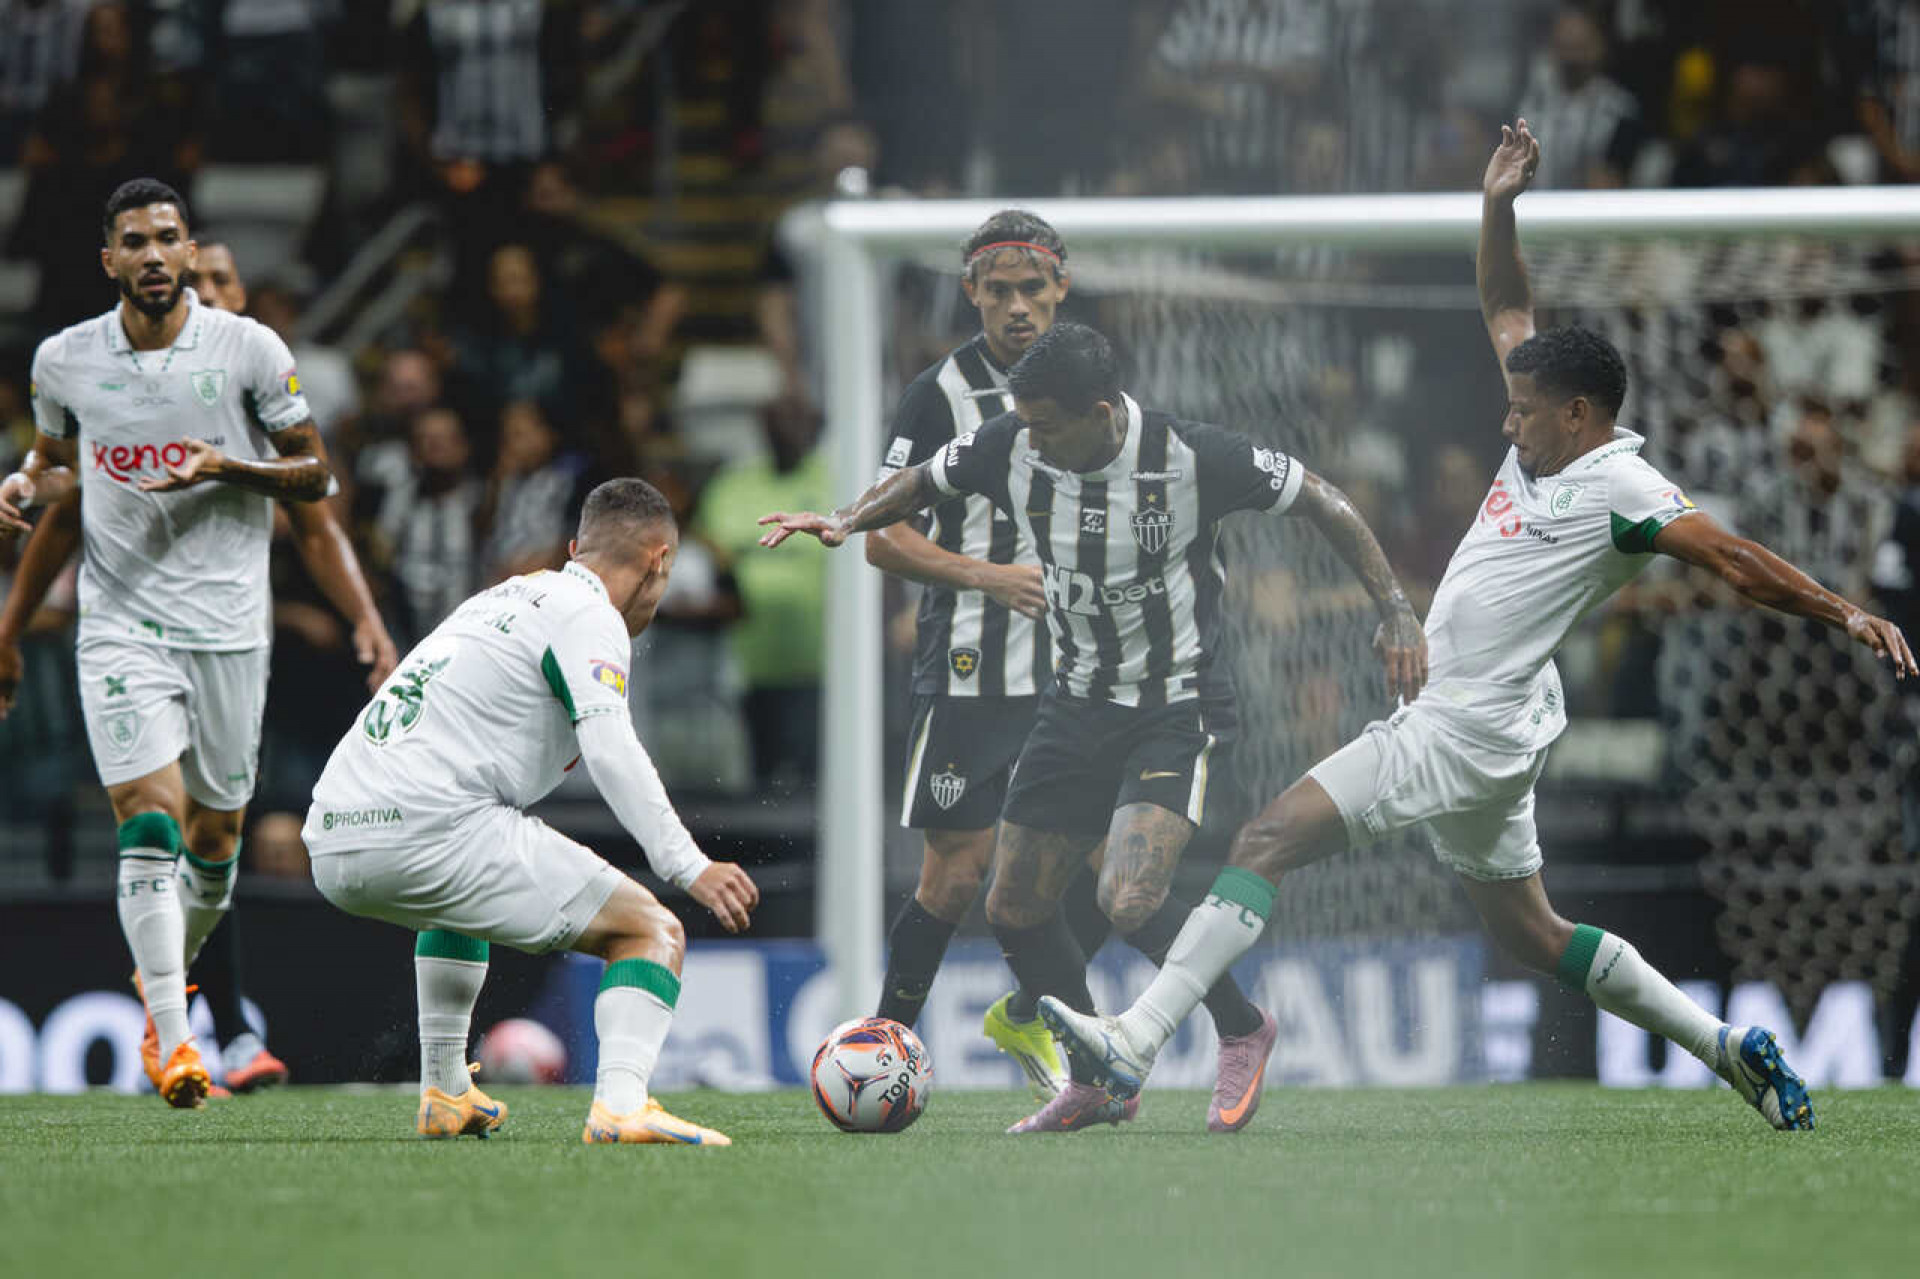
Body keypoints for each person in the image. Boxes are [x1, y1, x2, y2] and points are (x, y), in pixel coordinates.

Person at [1038, 121, 1918, 1134]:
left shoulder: (1621, 485)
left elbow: (1729, 557)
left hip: (1463, 722)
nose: (1507, 424)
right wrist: (1499, 204)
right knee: (1536, 933)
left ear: (1580, 414)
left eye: (1525, 412)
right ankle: (1728, 1049)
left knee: (1268, 834)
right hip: (1496, 724)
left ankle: (1135, 1038)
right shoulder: (1543, 434)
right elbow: (1505, 302)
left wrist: (1843, 608)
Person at [760, 321, 1425, 1133]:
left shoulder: (1193, 456)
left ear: (1103, 412)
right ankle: (1098, 1076)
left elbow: (1320, 497)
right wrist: (844, 518)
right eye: (1023, 423)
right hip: (1075, 702)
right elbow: (922, 482)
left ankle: (1243, 1027)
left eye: (1045, 425)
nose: (1028, 439)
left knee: (1128, 894)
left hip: (1176, 705)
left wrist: (1394, 608)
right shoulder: (1012, 442)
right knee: (1013, 907)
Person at [0, 179, 341, 1108]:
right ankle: (180, 1040)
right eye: (134, 242)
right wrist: (24, 483)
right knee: (147, 823)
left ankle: (162, 1008)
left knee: (216, 839)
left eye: (167, 238)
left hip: (229, 629)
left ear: (189, 252)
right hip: (120, 622)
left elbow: (316, 477)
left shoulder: (250, 351)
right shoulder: (66, 360)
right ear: (108, 260)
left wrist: (227, 465)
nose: (153, 255)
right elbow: (55, 461)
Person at [302, 477, 760, 1144]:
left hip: (334, 831)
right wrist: (688, 864)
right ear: (661, 560)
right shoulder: (590, 615)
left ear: (576, 547)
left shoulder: (505, 596)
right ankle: (623, 1104)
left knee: (456, 903)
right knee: (650, 931)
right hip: (430, 823)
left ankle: (444, 1090)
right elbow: (611, 746)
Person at [864, 210, 1108, 1100]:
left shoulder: (1092, 382)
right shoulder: (937, 394)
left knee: (1109, 866)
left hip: (1080, 669)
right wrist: (990, 576)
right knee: (956, 871)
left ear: (1061, 290)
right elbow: (880, 538)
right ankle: (884, 1045)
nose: (1015, 307)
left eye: (1031, 290)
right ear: (971, 293)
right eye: (997, 291)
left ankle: (1040, 1017)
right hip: (969, 666)